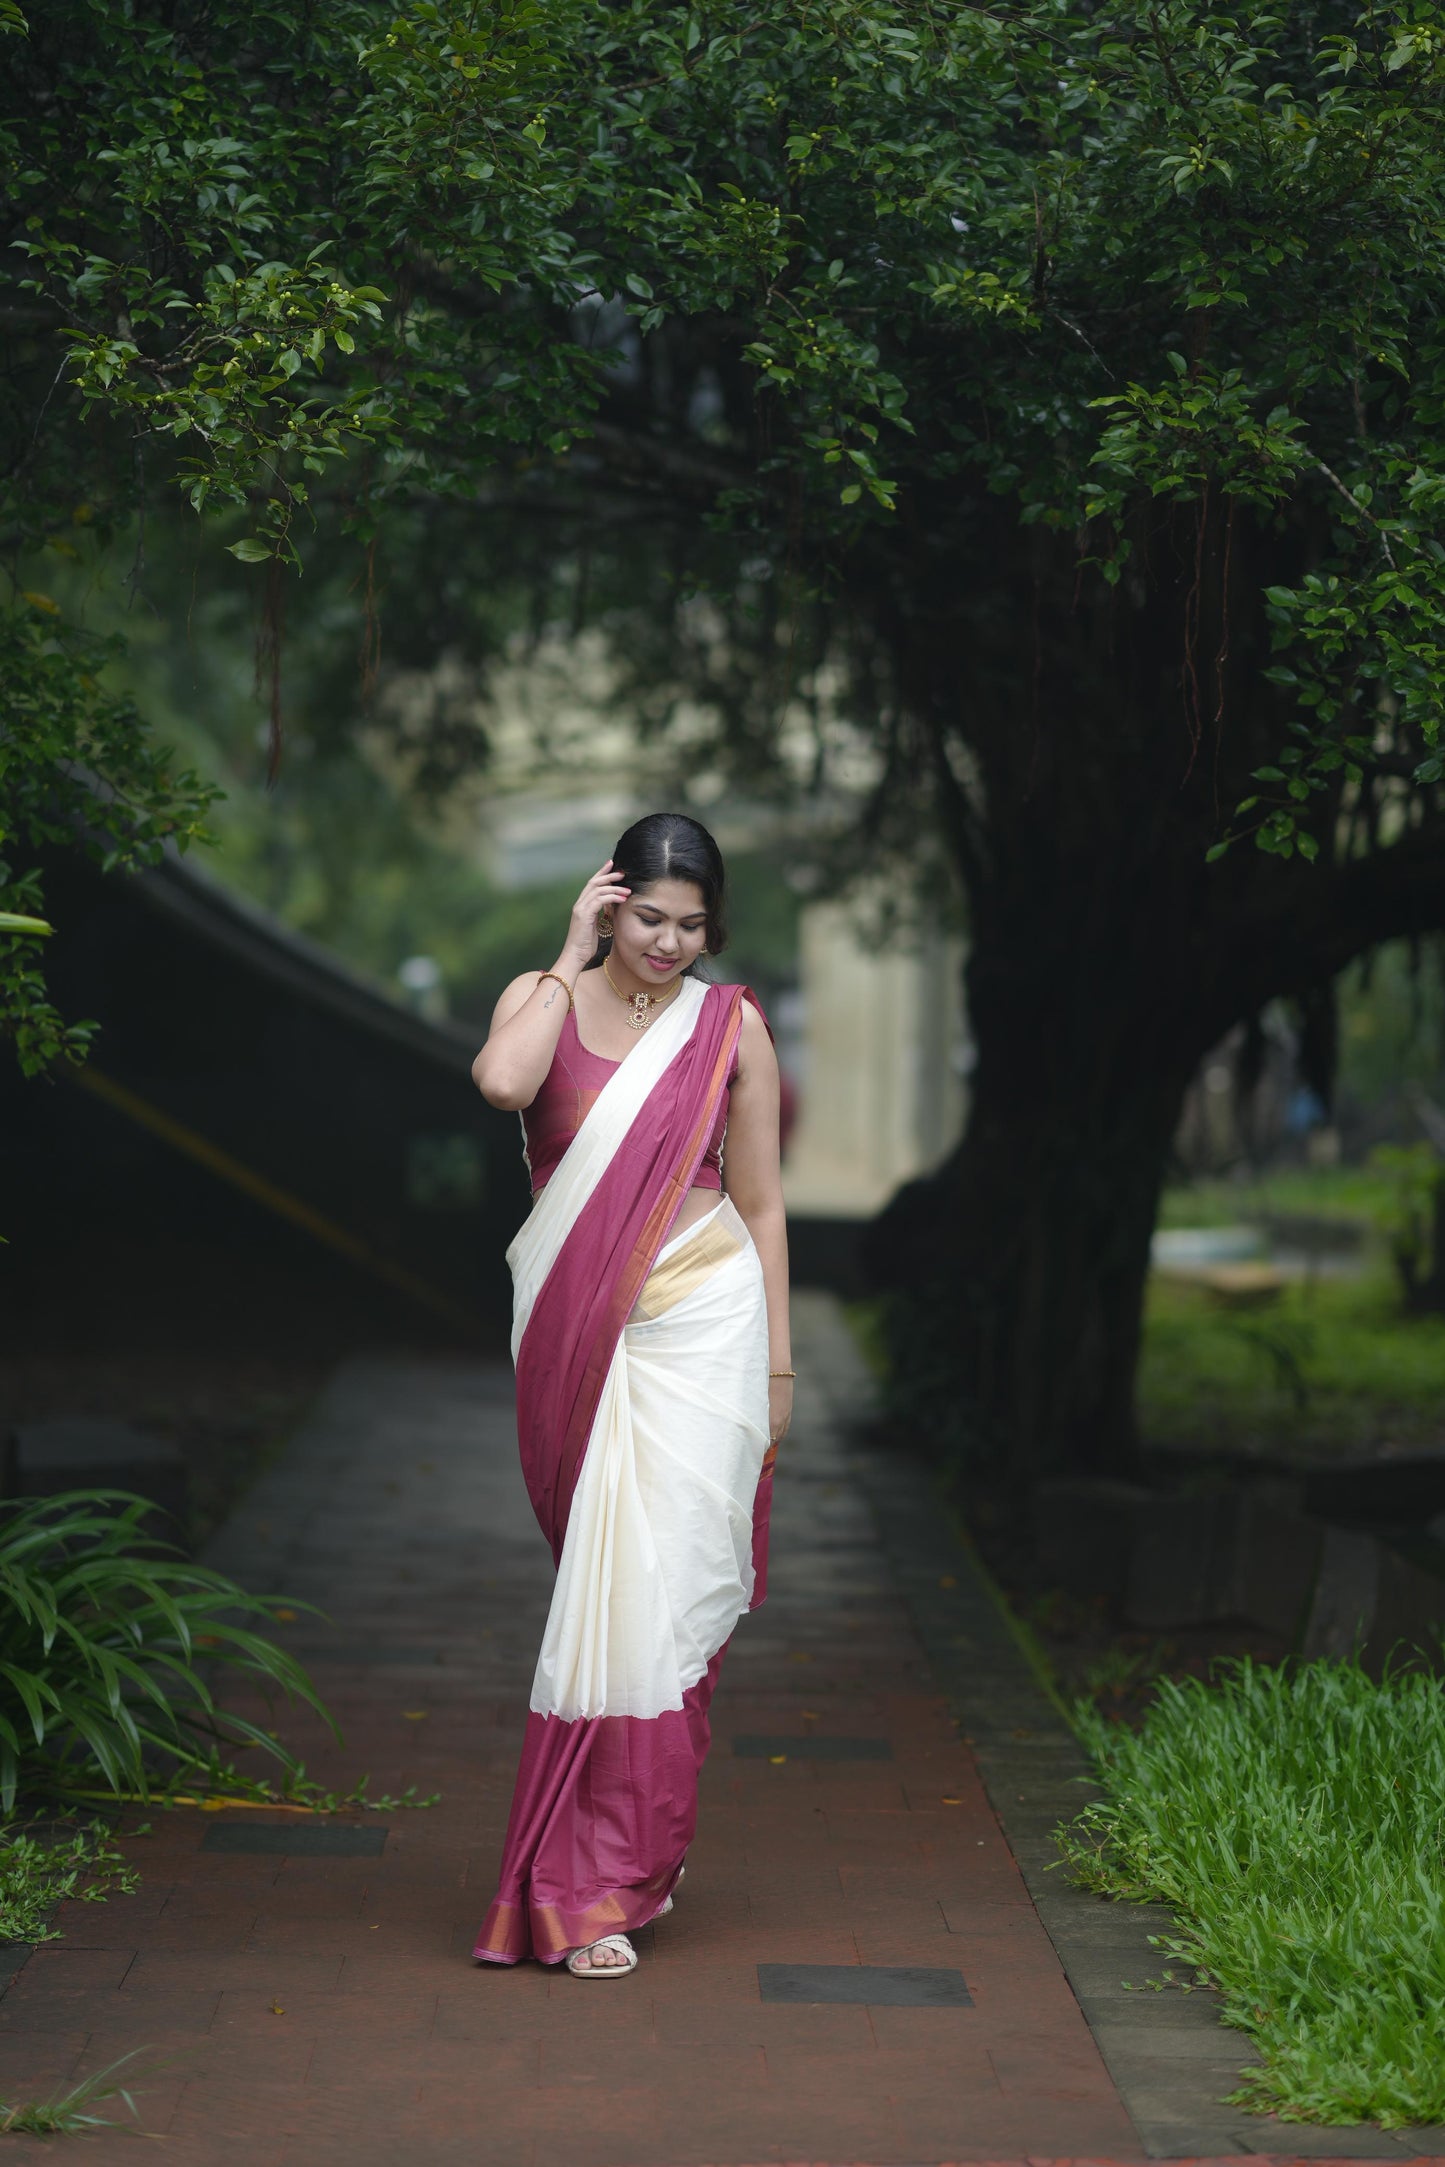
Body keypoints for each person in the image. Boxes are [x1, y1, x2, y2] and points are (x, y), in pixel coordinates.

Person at [469, 812, 792, 1979]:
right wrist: (562, 956)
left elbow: (759, 1206)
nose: (668, 942)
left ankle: (606, 1879)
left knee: (668, 1599)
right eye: (648, 915)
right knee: (603, 1599)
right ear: (608, 902)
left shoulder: (730, 1027)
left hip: (709, 1323)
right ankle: (598, 1860)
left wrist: (780, 1363)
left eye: (691, 924)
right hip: (577, 1333)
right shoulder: (541, 997)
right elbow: (501, 1080)